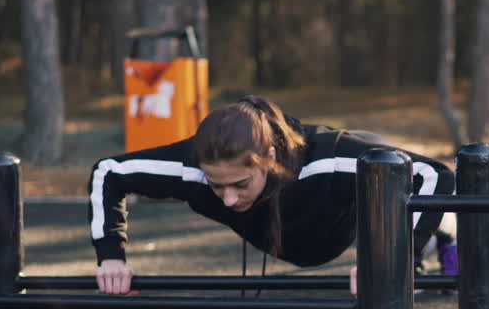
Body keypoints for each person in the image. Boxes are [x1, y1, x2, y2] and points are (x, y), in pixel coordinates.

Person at [88, 95, 457, 295]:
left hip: (344, 218)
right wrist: (111, 258)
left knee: (386, 174)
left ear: (268, 159)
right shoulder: (191, 168)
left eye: (240, 184)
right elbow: (109, 171)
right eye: (217, 186)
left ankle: (439, 240)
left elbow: (434, 174)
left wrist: (393, 255)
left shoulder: (326, 161)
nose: (228, 200)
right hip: (286, 238)